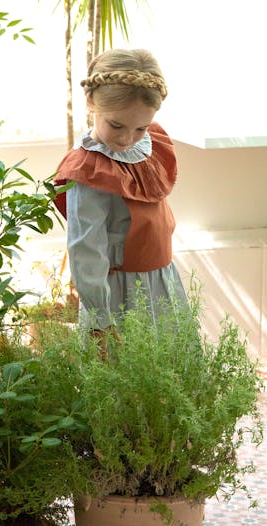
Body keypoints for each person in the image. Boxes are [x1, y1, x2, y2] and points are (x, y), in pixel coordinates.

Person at [54, 48, 188, 338]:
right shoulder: (89, 169)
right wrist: (101, 318)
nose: (127, 139)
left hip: (160, 283)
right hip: (120, 295)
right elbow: (86, 250)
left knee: (169, 373)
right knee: (125, 371)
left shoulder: (148, 146)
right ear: (91, 102)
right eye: (116, 125)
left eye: (141, 127)